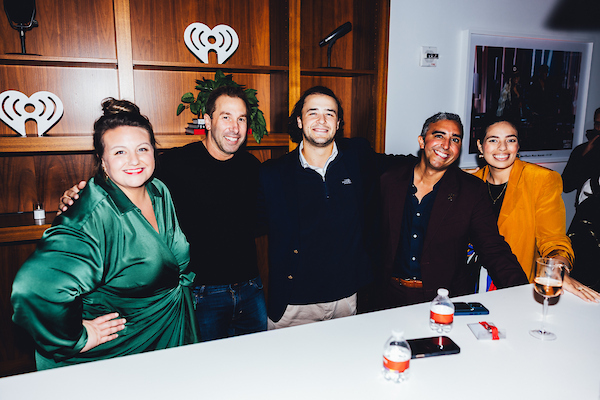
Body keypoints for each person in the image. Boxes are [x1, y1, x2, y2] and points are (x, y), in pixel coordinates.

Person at [58, 86, 267, 342]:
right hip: (201, 294)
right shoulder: (175, 163)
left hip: (250, 289)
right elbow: (126, 179)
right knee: (205, 365)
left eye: (241, 119)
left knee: (258, 362)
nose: (234, 127)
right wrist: (80, 196)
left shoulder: (252, 166)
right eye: (226, 117)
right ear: (208, 120)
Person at [12, 99, 199, 370]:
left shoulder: (159, 191)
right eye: (120, 152)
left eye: (142, 148)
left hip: (168, 333)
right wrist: (78, 337)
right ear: (102, 160)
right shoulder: (93, 214)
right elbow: (33, 288)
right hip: (119, 351)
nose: (134, 160)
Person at [258, 86, 387, 328]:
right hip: (293, 305)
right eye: (313, 112)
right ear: (299, 121)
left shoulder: (358, 159)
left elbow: (402, 167)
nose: (321, 120)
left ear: (338, 123)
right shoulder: (273, 173)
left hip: (346, 300)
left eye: (330, 113)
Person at [380, 112, 529, 307]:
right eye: (439, 135)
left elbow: (492, 248)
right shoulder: (389, 180)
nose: (446, 145)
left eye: (455, 139)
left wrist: (524, 293)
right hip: (387, 296)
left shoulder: (471, 190)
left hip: (443, 300)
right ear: (422, 141)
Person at [473, 120, 599, 302]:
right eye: (493, 140)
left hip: (515, 283)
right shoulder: (471, 182)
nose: (502, 147)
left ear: (518, 145)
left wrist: (557, 269)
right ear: (480, 145)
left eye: (510, 140)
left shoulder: (541, 180)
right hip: (470, 281)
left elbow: (553, 240)